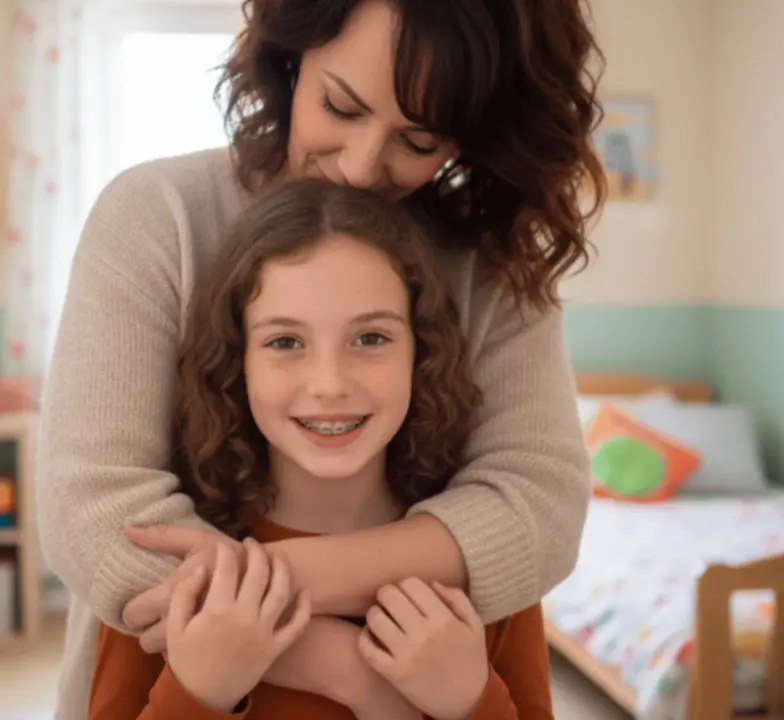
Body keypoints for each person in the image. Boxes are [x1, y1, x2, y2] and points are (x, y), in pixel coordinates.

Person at [37, 0, 605, 716]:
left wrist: (264, 590)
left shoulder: (489, 261)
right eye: (341, 107)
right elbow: (94, 514)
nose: (364, 169)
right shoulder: (158, 215)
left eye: (421, 139)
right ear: (289, 56)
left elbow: (539, 514)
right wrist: (344, 668)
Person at [88, 178, 554, 720]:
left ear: (421, 350)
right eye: (285, 342)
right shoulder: (176, 562)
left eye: (371, 338)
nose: (329, 383)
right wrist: (200, 693)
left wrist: (472, 704)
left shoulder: (481, 554)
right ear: (238, 360)